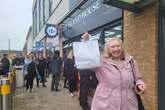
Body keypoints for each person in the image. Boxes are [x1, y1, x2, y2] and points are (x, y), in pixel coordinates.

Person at [80, 33, 146, 110]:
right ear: (108, 49)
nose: (116, 49)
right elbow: (89, 57)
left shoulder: (130, 61)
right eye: (113, 47)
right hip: (106, 103)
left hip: (128, 104)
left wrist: (140, 85)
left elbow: (138, 79)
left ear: (122, 47)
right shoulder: (101, 62)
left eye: (118, 46)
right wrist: (87, 42)